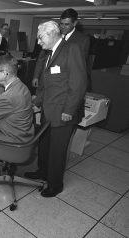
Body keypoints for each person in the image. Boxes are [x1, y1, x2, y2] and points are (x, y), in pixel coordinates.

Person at [24, 21, 87, 197]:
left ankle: (55, 184)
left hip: (63, 113)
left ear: (52, 34)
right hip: (48, 109)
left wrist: (69, 110)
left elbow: (79, 84)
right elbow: (47, 83)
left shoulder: (71, 49)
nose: (38, 42)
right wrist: (36, 101)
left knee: (57, 151)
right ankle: (42, 172)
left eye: (40, 38)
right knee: (44, 144)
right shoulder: (49, 53)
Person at [31, 8, 90, 90]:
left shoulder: (82, 40)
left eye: (67, 24)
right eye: (61, 24)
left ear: (75, 23)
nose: (63, 27)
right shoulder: (55, 33)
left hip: (63, 83)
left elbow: (79, 67)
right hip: (45, 80)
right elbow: (42, 58)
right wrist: (36, 75)